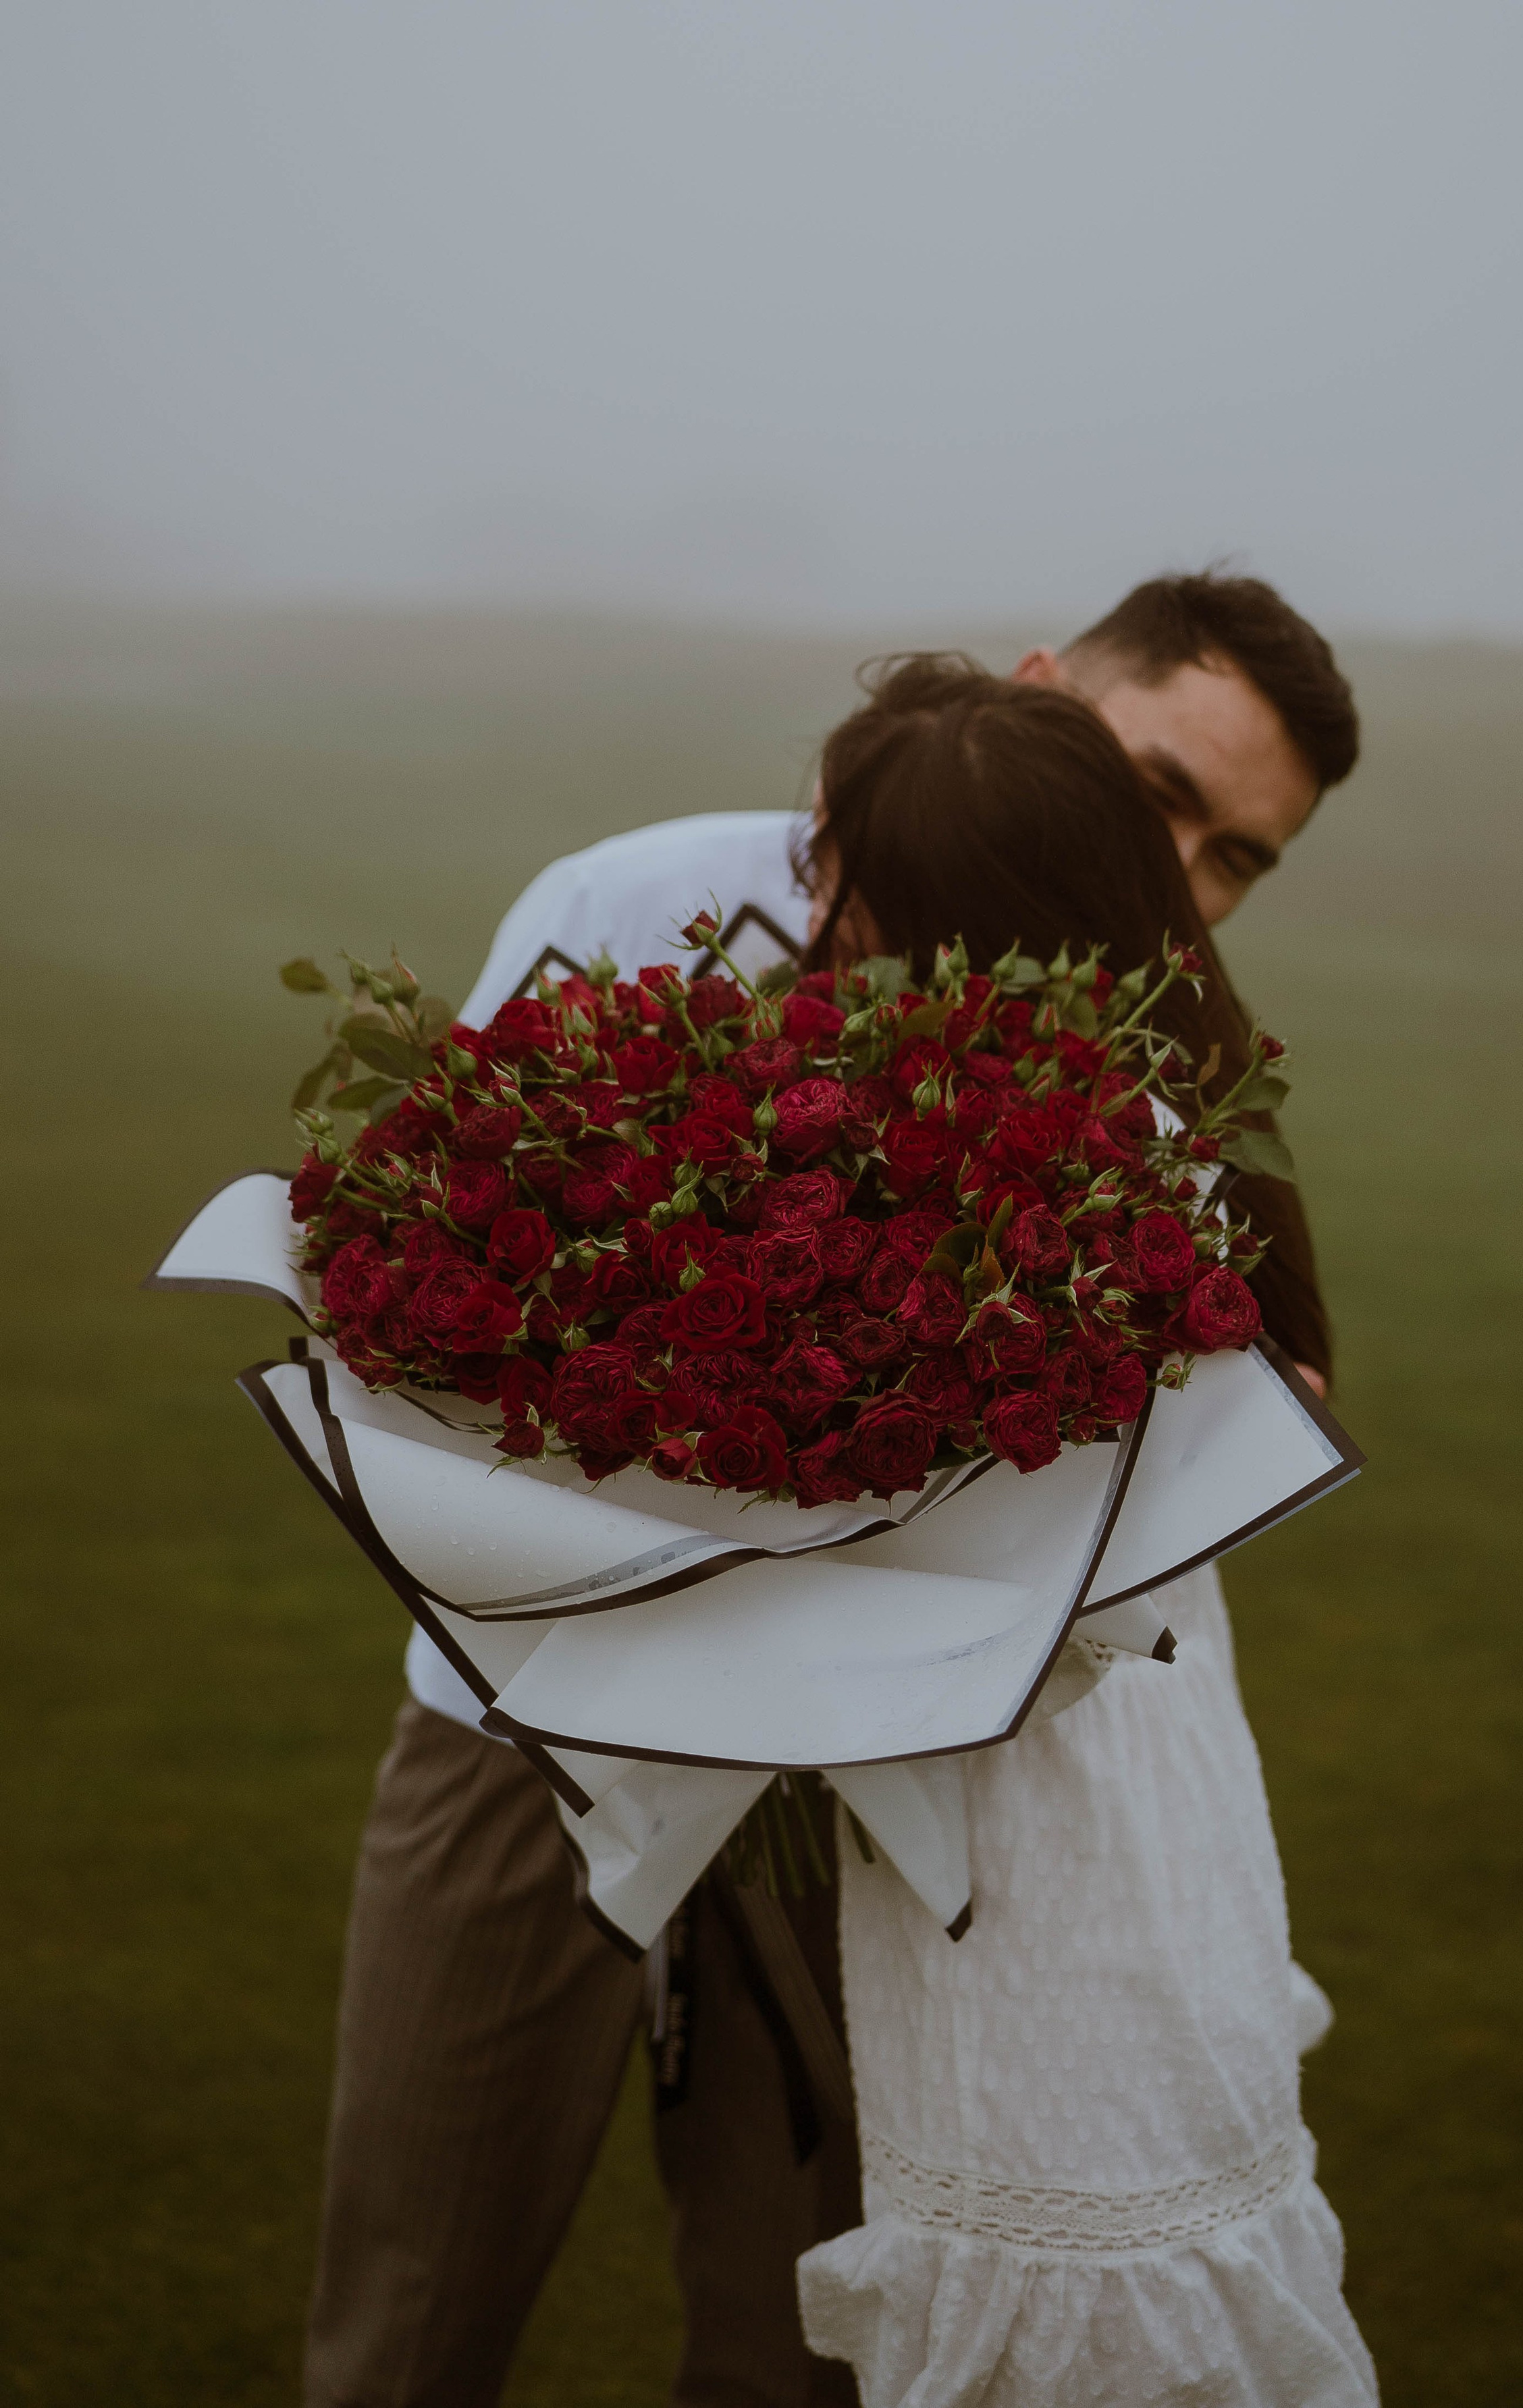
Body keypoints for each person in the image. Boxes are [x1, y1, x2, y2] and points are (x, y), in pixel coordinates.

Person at [303, 572, 1360, 2408]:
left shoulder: (1171, 1062)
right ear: (1036, 697)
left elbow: (1260, 1416)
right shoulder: (629, 906)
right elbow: (427, 1276)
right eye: (1160, 783)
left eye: (1233, 852)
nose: (1175, 864)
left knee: (796, 2336)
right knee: (410, 2296)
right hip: (529, 1732)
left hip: (890, 1795)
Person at [793, 657, 1377, 2406]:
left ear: (938, 913)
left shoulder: (1010, 1187)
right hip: (1142, 1778)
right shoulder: (1139, 1127)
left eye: (843, 874)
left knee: (1082, 2263)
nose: (813, 907)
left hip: (1039, 1827)